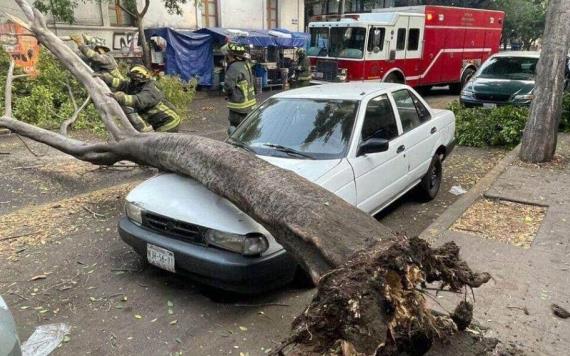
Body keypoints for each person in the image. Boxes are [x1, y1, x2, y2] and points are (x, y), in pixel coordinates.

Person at [97, 65, 180, 133]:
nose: (132, 82)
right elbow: (123, 84)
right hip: (159, 121)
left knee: (159, 147)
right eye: (132, 80)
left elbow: (139, 100)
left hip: (169, 122)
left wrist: (120, 98)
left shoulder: (151, 89)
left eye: (134, 80)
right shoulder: (138, 85)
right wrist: (106, 78)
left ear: (140, 79)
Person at [222, 42, 256, 132]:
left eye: (228, 55)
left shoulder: (234, 67)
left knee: (235, 130)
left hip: (238, 107)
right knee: (247, 129)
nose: (227, 57)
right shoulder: (246, 64)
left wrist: (225, 91)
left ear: (232, 55)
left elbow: (228, 86)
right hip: (249, 104)